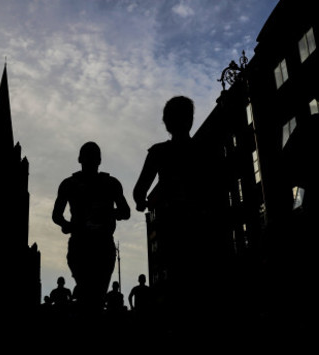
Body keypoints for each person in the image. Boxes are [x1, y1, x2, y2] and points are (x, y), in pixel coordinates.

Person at [132, 96, 227, 323]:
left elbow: (139, 190)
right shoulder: (204, 148)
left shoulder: (158, 152)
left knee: (178, 284)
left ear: (166, 123)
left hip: (173, 227)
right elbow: (219, 185)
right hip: (204, 227)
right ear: (191, 120)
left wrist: (141, 203)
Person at [52, 142, 131, 315]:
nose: (89, 161)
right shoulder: (72, 184)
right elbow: (57, 216)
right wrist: (68, 225)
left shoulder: (107, 183)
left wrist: (108, 213)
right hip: (85, 246)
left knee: (93, 296)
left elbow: (125, 212)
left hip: (96, 246)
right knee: (92, 296)